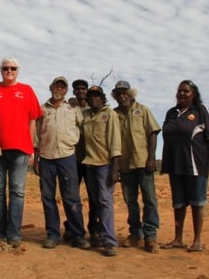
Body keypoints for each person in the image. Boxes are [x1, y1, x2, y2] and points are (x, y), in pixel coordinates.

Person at [0, 56, 43, 247]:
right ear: (0, 70)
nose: (9, 71)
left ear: (17, 70)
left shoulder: (27, 91)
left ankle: (14, 233)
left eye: (13, 68)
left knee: (17, 192)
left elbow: (33, 120)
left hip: (20, 149)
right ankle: (1, 229)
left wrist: (30, 147)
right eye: (5, 68)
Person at [160, 80, 209, 252]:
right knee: (179, 204)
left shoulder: (201, 110)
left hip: (196, 165)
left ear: (194, 94)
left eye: (186, 91)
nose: (182, 94)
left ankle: (197, 241)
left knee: (197, 203)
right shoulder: (171, 113)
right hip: (175, 165)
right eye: (179, 91)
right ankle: (178, 238)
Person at [34, 76, 91, 250]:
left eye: (62, 87)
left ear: (65, 91)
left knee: (71, 197)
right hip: (46, 157)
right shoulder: (42, 109)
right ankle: (53, 234)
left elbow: (85, 125)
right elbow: (36, 135)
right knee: (48, 198)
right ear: (51, 87)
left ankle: (77, 235)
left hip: (67, 157)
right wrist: (36, 159)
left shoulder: (72, 108)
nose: (58, 89)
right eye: (56, 86)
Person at [112, 81, 161, 253]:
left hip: (143, 163)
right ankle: (135, 234)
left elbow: (153, 133)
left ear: (131, 93)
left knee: (149, 200)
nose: (121, 96)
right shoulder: (114, 114)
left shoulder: (143, 110)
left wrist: (151, 158)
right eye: (118, 94)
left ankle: (151, 236)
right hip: (125, 165)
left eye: (124, 92)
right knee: (130, 201)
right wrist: (115, 166)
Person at [82, 85, 121, 257]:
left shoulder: (109, 114)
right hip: (90, 164)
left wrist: (115, 169)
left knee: (105, 201)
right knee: (95, 202)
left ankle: (109, 242)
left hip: (105, 165)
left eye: (97, 96)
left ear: (102, 98)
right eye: (91, 96)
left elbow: (115, 143)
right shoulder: (86, 115)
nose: (93, 99)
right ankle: (97, 235)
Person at [69, 78, 101, 246]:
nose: (80, 92)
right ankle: (72, 226)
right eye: (77, 89)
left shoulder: (93, 108)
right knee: (72, 195)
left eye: (83, 89)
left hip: (91, 158)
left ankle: (94, 228)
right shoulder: (70, 106)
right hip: (73, 158)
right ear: (73, 92)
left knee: (94, 195)